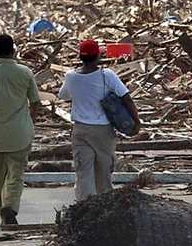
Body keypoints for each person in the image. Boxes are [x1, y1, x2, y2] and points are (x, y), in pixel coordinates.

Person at [58, 39, 142, 201]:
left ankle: (83, 208)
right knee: (103, 173)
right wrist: (136, 123)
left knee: (83, 172)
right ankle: (104, 209)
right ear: (97, 56)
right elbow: (127, 99)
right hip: (103, 131)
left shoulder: (71, 76)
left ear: (80, 58)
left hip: (81, 130)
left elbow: (64, 96)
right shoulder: (106, 75)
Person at [0, 34, 40, 226]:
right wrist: (30, 120)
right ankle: (10, 206)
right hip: (20, 132)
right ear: (13, 51)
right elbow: (35, 101)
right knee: (16, 173)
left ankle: (3, 213)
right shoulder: (25, 72)